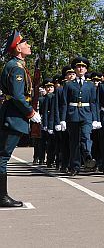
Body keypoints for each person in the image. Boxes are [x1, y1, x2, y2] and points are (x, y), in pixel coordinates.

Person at [0, 30, 42, 207]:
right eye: (25, 43)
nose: (29, 46)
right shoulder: (16, 67)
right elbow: (17, 96)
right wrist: (31, 113)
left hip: (12, 114)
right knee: (2, 156)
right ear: (18, 48)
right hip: (13, 116)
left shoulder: (17, 64)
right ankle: (2, 197)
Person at [59, 56, 99, 176]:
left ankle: (87, 156)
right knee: (74, 142)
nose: (81, 69)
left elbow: (94, 102)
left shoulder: (91, 85)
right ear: (75, 69)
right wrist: (62, 120)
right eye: (78, 66)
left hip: (86, 114)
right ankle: (75, 166)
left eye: (83, 67)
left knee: (86, 136)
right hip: (73, 114)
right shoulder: (68, 85)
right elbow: (64, 103)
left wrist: (95, 119)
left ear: (86, 70)